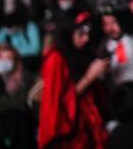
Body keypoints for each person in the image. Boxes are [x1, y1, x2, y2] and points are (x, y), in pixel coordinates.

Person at [39, 11, 109, 149]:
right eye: (81, 33)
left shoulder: (81, 51)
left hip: (91, 122)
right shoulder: (55, 59)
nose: (86, 38)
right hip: (72, 132)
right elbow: (60, 104)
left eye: (88, 33)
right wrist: (90, 77)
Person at [0, 44, 38, 149]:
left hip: (22, 127)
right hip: (2, 130)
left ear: (16, 61)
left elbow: (20, 103)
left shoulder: (26, 77)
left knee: (15, 114)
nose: (3, 61)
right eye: (0, 58)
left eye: (8, 58)